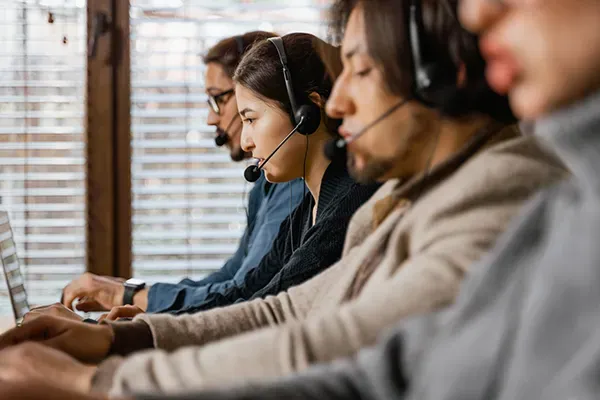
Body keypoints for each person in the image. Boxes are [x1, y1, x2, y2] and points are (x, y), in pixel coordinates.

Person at [0, 1, 566, 397]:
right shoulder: (400, 201)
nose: (338, 105)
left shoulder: (498, 188)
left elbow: (337, 346)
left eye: (361, 71)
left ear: (435, 78)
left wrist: (93, 381)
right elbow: (286, 308)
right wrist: (115, 340)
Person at [49, 31, 306, 317]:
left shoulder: (293, 184)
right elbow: (230, 281)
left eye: (217, 99)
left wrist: (126, 295)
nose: (211, 118)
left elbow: (241, 297)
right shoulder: (267, 183)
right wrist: (129, 292)